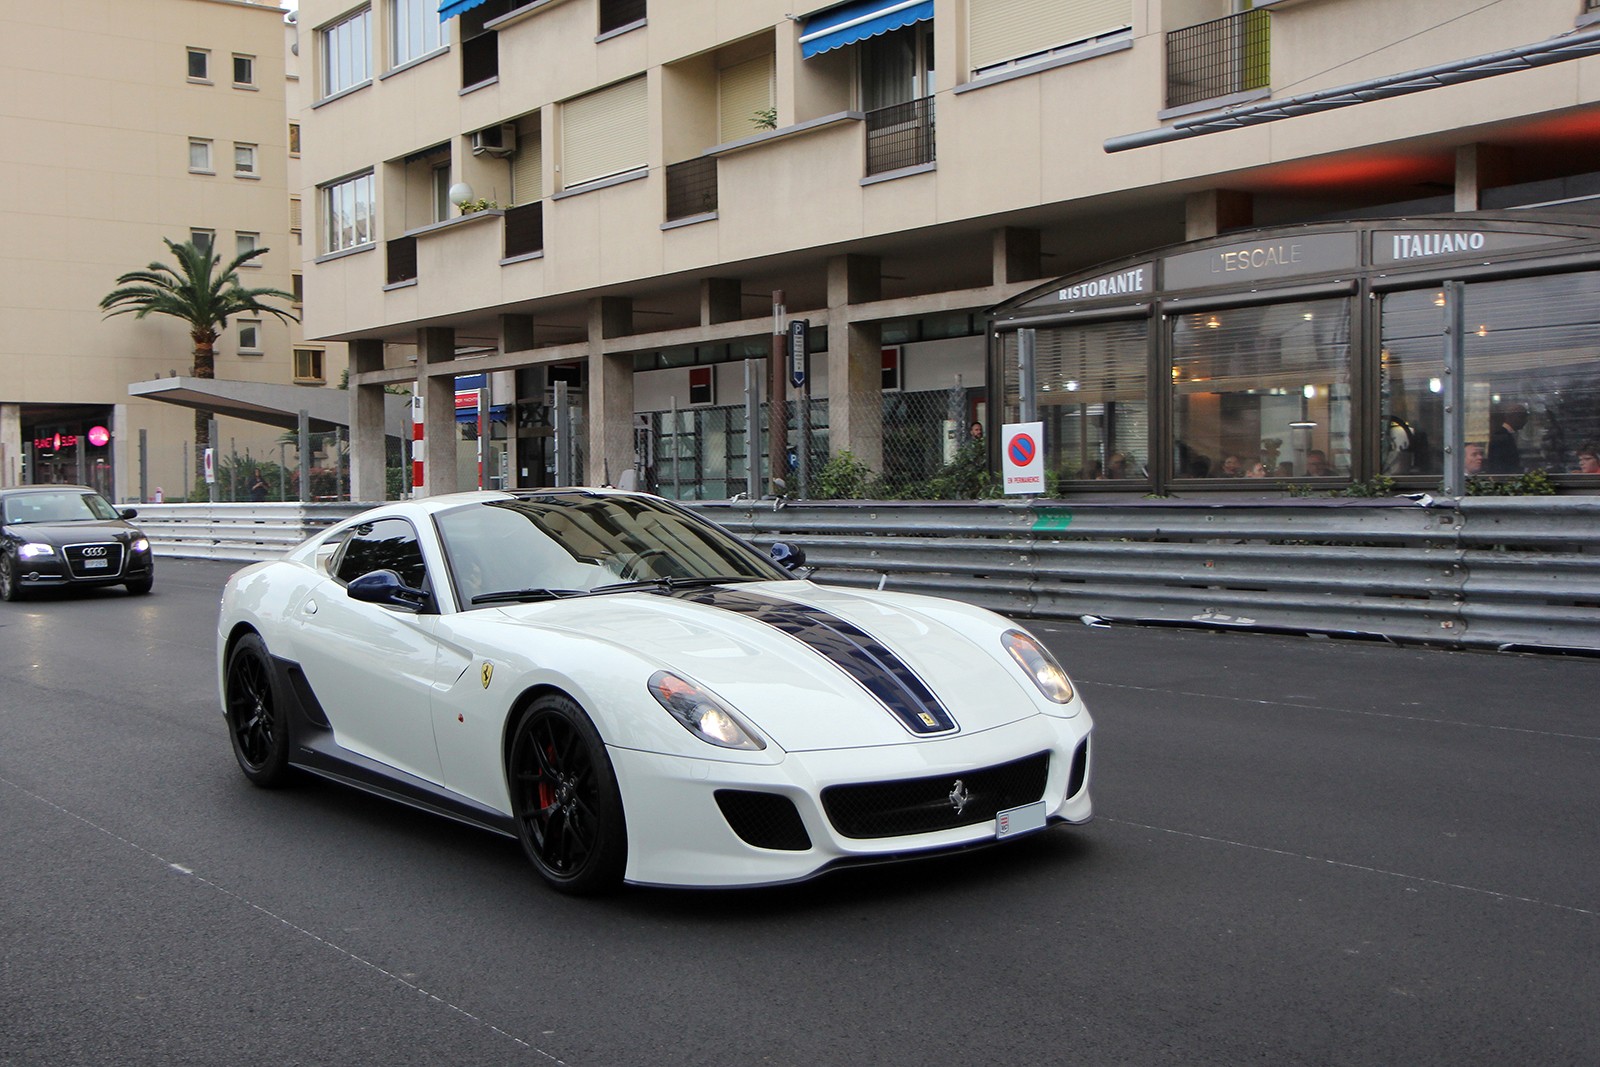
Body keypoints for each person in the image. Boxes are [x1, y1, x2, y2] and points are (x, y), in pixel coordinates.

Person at [1487, 401, 1528, 474]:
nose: (1525, 421)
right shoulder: (1500, 436)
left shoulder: (1508, 435)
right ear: (1512, 416)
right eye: (1522, 417)